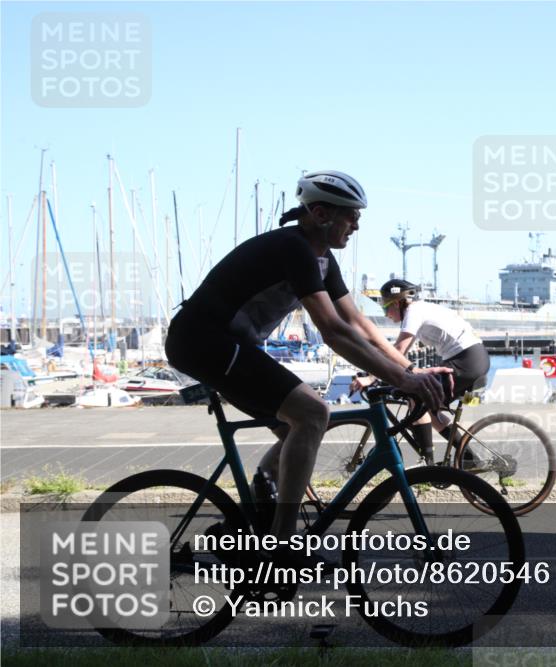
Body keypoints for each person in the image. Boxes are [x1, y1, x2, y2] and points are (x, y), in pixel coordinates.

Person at [165, 170, 450, 545]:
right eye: (352, 215)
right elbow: (332, 330)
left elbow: (357, 323)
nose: (357, 225)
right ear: (320, 214)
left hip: (226, 345)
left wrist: (410, 370)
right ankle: (283, 543)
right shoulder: (294, 248)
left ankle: (242, 531)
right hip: (203, 340)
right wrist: (402, 380)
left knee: (294, 433)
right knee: (314, 413)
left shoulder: (322, 260)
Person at [375, 278, 490, 463]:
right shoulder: (418, 311)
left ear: (397, 302)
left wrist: (371, 376)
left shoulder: (413, 311)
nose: (386, 314)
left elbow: (397, 351)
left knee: (416, 395)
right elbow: (400, 358)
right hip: (470, 358)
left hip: (467, 360)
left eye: (385, 307)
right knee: (428, 409)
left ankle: (427, 465)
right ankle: (469, 458)